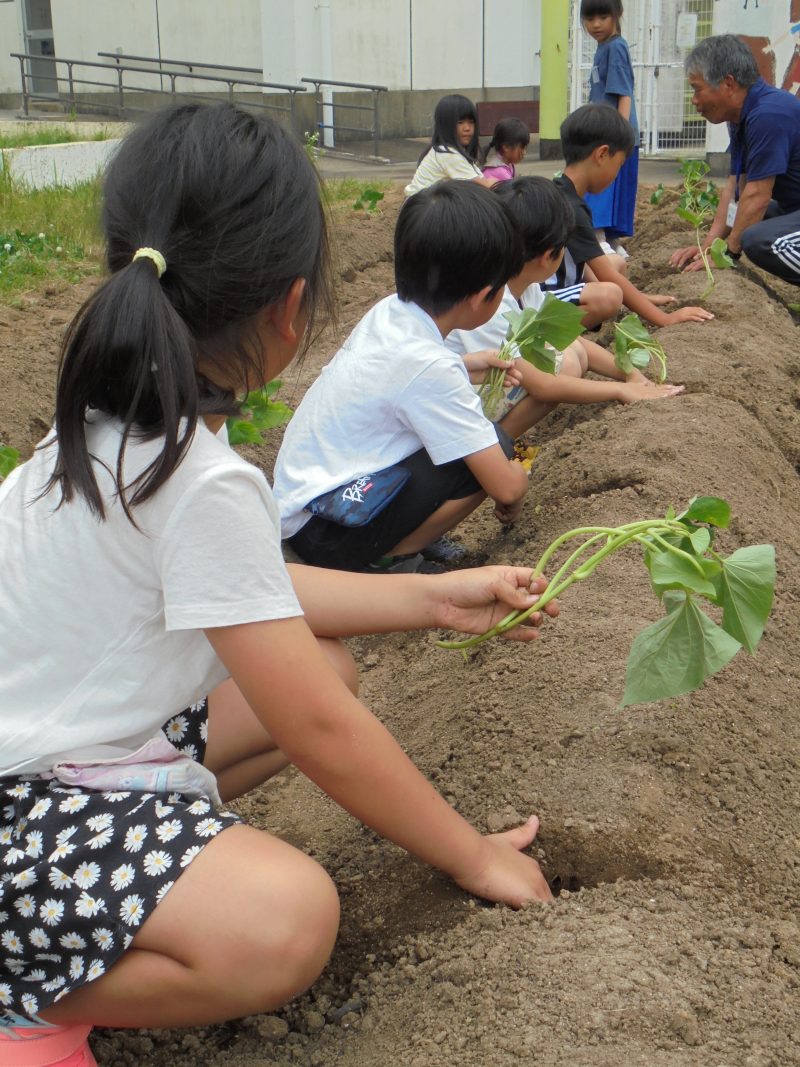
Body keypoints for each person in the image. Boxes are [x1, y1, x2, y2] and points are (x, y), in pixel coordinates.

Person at [0, 104, 559, 1066]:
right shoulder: (201, 479)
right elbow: (318, 731)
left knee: (329, 667)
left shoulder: (107, 424)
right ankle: (28, 985)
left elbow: (260, 599)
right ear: (291, 310)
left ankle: (100, 907)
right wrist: (470, 852)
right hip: (25, 810)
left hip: (58, 753)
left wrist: (432, 600)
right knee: (289, 920)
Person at [274, 180, 532, 574]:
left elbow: (392, 379)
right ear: (484, 297)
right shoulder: (430, 367)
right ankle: (386, 560)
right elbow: (507, 487)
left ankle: (394, 542)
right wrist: (519, 481)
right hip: (328, 536)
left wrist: (466, 365)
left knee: (460, 445)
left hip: (303, 507)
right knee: (493, 446)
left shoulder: (390, 312)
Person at [445, 177, 684, 436]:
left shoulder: (523, 286)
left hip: (479, 389)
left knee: (567, 349)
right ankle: (496, 444)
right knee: (564, 366)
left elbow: (575, 343)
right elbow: (544, 386)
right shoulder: (490, 305)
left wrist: (631, 375)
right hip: (459, 414)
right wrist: (620, 390)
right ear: (549, 256)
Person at [545, 103, 714, 329]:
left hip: (553, 285)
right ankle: (550, 334)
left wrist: (642, 299)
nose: (616, 175)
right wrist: (664, 318)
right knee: (610, 295)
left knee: (615, 262)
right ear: (602, 154)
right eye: (619, 165)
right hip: (540, 299)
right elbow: (607, 277)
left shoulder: (560, 192)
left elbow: (590, 266)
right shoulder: (571, 208)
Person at [669, 33, 800, 286]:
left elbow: (758, 195)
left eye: (697, 90)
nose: (694, 100)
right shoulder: (741, 117)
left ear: (728, 84)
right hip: (793, 209)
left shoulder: (768, 115)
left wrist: (729, 253)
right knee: (751, 223)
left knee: (758, 240)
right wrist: (710, 247)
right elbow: (736, 188)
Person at [580, 0, 639, 250]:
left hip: (613, 138)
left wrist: (619, 139)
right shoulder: (603, 47)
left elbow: (623, 95)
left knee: (600, 193)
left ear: (617, 15)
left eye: (603, 17)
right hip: (606, 136)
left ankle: (601, 245)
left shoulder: (616, 47)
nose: (595, 24)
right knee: (608, 193)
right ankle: (611, 246)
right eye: (589, 18)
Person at [404, 94, 496, 197]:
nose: (467, 128)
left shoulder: (451, 151)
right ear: (445, 126)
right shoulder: (448, 154)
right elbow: (485, 185)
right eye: (460, 122)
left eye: (471, 122)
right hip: (419, 208)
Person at [481, 117, 531, 183]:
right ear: (506, 147)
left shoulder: (508, 165)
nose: (524, 152)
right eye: (522, 147)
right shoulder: (500, 172)